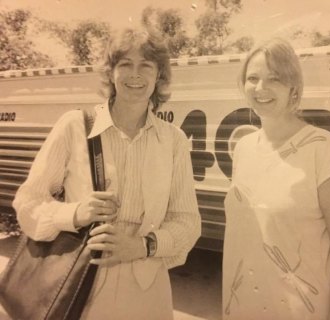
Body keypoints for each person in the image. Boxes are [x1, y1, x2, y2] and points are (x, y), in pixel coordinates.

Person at [13, 26, 201, 320]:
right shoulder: (74, 126)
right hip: (80, 286)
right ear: (110, 73)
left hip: (148, 293)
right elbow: (27, 204)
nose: (135, 74)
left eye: (146, 66)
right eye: (125, 64)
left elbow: (187, 222)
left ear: (159, 76)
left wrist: (142, 246)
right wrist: (74, 213)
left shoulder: (174, 140)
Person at [222, 37, 330, 320]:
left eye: (274, 79)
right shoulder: (243, 148)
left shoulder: (323, 148)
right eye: (253, 78)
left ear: (293, 88)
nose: (260, 88)